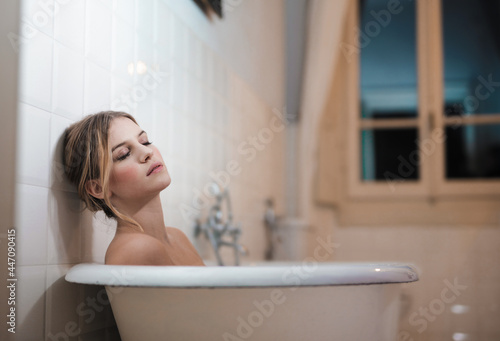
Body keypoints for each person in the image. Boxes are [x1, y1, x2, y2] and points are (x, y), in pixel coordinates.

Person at [63, 111, 205, 266]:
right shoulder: (137, 250)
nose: (147, 152)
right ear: (98, 188)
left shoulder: (178, 238)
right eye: (124, 154)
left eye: (144, 141)